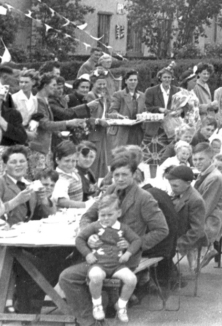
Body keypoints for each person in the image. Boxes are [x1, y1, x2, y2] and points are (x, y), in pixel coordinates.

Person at [59, 154, 168, 326]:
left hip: (125, 260)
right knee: (66, 275)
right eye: (116, 175)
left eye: (125, 174)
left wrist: (134, 245)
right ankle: (91, 320)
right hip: (100, 256)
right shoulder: (109, 191)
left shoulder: (144, 198)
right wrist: (90, 236)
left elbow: (161, 230)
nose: (120, 179)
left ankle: (90, 318)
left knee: (69, 276)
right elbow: (87, 216)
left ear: (134, 175)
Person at [75, 194, 141, 323]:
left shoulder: (123, 228)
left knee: (132, 279)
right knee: (95, 276)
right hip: (99, 263)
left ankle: (121, 306)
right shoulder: (95, 226)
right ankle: (97, 304)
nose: (105, 218)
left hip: (117, 265)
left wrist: (128, 253)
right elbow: (79, 239)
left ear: (119, 213)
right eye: (102, 215)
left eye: (109, 215)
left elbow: (136, 240)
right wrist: (88, 254)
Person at [0, 145, 55, 225]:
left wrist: (44, 199)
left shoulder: (31, 185)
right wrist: (16, 201)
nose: (18, 165)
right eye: (13, 162)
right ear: (5, 166)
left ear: (27, 164)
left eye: (22, 161)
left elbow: (49, 215)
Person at [29, 75, 86, 177]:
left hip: (45, 147)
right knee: (41, 179)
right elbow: (45, 124)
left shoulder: (44, 100)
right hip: (39, 148)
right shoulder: (38, 101)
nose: (56, 88)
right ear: (45, 85)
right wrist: (68, 123)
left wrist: (58, 133)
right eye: (54, 85)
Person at [192, 143, 222, 268]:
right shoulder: (206, 173)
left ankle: (199, 258)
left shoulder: (214, 177)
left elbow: (205, 206)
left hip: (212, 220)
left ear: (211, 159)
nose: (197, 162)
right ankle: (195, 262)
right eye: (194, 159)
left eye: (201, 159)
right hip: (208, 215)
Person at [166, 165, 207, 273]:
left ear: (188, 183)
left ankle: (167, 277)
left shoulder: (195, 200)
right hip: (177, 234)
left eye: (175, 186)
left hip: (185, 238)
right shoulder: (180, 193)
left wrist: (177, 245)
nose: (172, 189)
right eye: (171, 185)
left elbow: (196, 230)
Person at [108, 70, 146, 148]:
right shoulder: (118, 95)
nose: (133, 82)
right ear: (126, 81)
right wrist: (119, 116)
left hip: (137, 131)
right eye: (131, 80)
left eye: (135, 80)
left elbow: (144, 111)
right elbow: (112, 111)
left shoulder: (142, 95)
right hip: (122, 132)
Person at [86, 72, 113, 178]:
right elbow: (87, 116)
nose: (102, 87)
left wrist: (115, 116)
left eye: (104, 84)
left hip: (101, 132)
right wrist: (99, 121)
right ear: (93, 84)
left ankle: (98, 185)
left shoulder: (103, 96)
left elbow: (103, 114)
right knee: (93, 160)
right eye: (99, 84)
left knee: (101, 160)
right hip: (93, 132)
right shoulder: (90, 96)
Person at [144, 67, 181, 139]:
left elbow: (182, 105)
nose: (167, 79)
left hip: (172, 125)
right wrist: (159, 109)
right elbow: (147, 107)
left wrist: (179, 111)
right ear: (160, 78)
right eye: (164, 77)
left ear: (171, 78)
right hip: (155, 127)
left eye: (169, 77)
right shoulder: (151, 91)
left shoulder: (177, 90)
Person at [51, 140, 86, 209]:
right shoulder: (60, 178)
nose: (70, 164)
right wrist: (83, 205)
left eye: (73, 161)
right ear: (57, 160)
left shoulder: (74, 172)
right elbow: (61, 201)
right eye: (67, 161)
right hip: (65, 214)